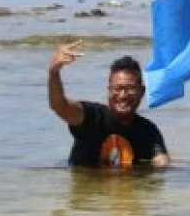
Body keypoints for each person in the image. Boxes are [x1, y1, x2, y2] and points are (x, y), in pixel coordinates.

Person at [48, 40, 170, 168]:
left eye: (130, 89)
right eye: (117, 89)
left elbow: (162, 163)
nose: (123, 95)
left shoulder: (148, 131)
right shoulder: (91, 118)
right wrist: (54, 73)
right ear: (109, 90)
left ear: (142, 92)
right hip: (87, 185)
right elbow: (59, 106)